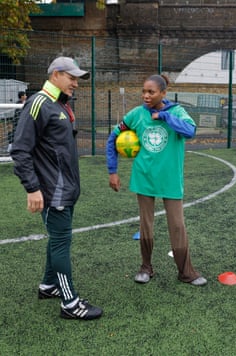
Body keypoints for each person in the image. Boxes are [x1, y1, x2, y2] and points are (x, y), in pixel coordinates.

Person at [10, 56, 103, 320]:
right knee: (62, 243)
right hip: (54, 192)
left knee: (58, 239)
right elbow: (20, 150)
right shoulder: (39, 103)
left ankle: (48, 285)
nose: (76, 83)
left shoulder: (58, 104)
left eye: (77, 79)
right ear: (56, 75)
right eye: (72, 78)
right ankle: (70, 303)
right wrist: (32, 189)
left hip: (66, 189)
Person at [106, 74, 207, 287]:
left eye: (151, 92)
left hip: (170, 179)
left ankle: (186, 271)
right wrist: (112, 171)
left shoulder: (177, 112)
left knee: (177, 225)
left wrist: (164, 117)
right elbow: (113, 137)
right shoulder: (136, 115)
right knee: (146, 225)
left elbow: (190, 131)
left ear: (163, 93)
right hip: (144, 177)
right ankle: (145, 267)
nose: (146, 95)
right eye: (144, 91)